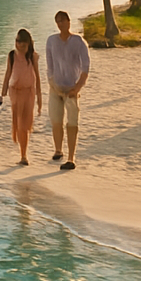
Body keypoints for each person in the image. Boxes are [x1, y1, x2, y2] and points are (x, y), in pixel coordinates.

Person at [44, 10, 90, 170]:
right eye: (57, 21)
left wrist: (77, 88)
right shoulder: (51, 41)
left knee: (72, 122)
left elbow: (85, 68)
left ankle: (71, 157)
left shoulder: (78, 41)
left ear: (69, 22)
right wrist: (53, 85)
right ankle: (58, 150)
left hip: (72, 87)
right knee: (56, 120)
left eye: (63, 20)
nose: (60, 24)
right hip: (56, 87)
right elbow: (49, 67)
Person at [1, 28, 42, 166]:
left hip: (29, 92)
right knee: (18, 123)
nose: (20, 46)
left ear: (28, 44)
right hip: (15, 92)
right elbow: (7, 74)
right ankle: (23, 155)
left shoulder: (32, 56)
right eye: (17, 42)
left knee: (26, 124)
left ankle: (24, 154)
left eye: (23, 44)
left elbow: (37, 77)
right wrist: (2, 93)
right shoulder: (12, 55)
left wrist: (39, 97)